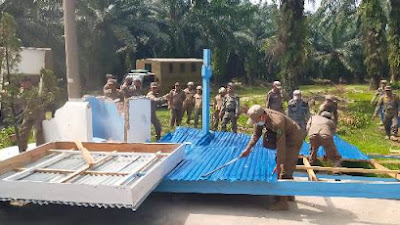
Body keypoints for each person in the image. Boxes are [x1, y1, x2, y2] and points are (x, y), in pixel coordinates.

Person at [240, 105, 306, 210]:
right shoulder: (260, 118)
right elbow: (256, 135)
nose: (256, 123)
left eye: (256, 120)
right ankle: (288, 194)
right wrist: (248, 149)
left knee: (285, 168)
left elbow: (281, 144)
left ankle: (282, 203)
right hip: (284, 137)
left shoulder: (277, 122)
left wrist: (279, 163)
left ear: (262, 117)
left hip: (293, 138)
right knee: (281, 164)